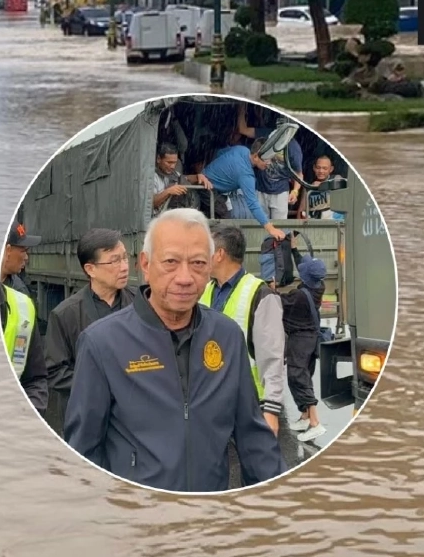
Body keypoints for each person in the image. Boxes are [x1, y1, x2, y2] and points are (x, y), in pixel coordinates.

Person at [64, 209, 285, 492]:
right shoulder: (102, 343)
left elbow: (254, 438)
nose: (185, 277)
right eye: (171, 262)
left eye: (198, 263)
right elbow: (83, 452)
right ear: (145, 264)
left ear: (211, 265)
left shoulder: (227, 336)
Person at [199, 224, 286, 431]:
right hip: (210, 401)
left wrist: (271, 409)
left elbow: (272, 356)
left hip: (248, 404)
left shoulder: (260, 294)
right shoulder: (205, 290)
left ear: (219, 254)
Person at [44, 228, 139, 413]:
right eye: (114, 261)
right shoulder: (66, 314)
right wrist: (100, 384)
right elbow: (54, 372)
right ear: (90, 269)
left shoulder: (141, 304)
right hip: (88, 412)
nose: (124, 267)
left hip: (134, 412)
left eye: (125, 258)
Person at [202, 130, 287, 242]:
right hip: (207, 190)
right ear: (255, 156)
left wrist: (211, 171)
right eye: (267, 159)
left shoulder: (242, 149)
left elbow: (220, 153)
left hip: (205, 182)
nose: (269, 163)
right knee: (225, 227)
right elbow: (253, 203)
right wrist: (271, 229)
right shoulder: (246, 175)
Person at [281, 252, 329, 443]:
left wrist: (270, 290)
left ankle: (315, 423)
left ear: (305, 277)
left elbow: (279, 302)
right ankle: (305, 416)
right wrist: (294, 250)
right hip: (311, 339)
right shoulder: (319, 285)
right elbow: (306, 267)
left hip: (300, 341)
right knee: (305, 376)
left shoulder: (299, 296)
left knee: (298, 377)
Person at [1, 221, 48, 413]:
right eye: (23, 250)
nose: (26, 257)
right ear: (7, 250)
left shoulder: (20, 296)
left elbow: (35, 375)